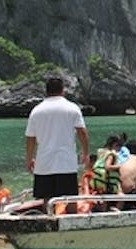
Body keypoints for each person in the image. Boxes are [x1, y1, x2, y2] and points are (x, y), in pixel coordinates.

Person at [25, 77, 89, 214]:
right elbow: (82, 133)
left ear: (46, 91)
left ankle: (49, 220)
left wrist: (29, 158)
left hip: (44, 162)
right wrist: (85, 153)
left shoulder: (37, 111)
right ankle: (72, 220)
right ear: (63, 90)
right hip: (66, 161)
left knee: (47, 197)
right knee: (71, 196)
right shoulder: (72, 108)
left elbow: (30, 138)